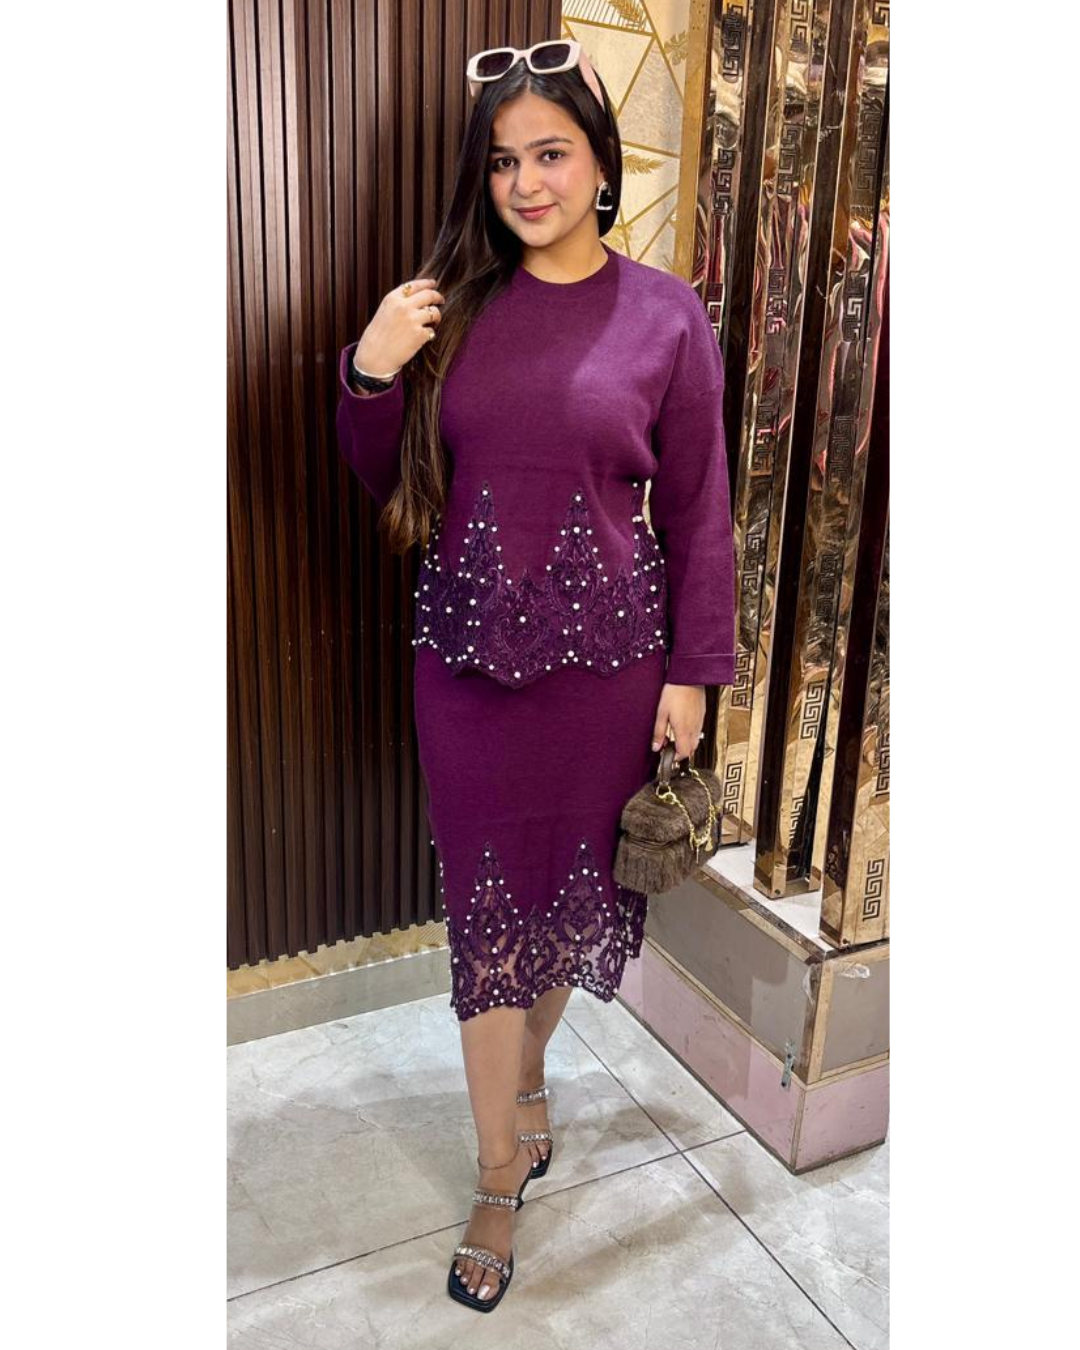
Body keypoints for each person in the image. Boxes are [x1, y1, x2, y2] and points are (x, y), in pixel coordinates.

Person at [335, 39, 735, 1312]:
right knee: (487, 917)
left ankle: (523, 1078)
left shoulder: (666, 315)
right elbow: (385, 475)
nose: (527, 183)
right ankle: (499, 1173)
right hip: (466, 673)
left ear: (601, 164)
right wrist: (370, 369)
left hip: (611, 674)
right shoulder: (452, 305)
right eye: (504, 161)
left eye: (551, 153)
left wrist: (695, 674)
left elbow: (702, 509)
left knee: (568, 904)